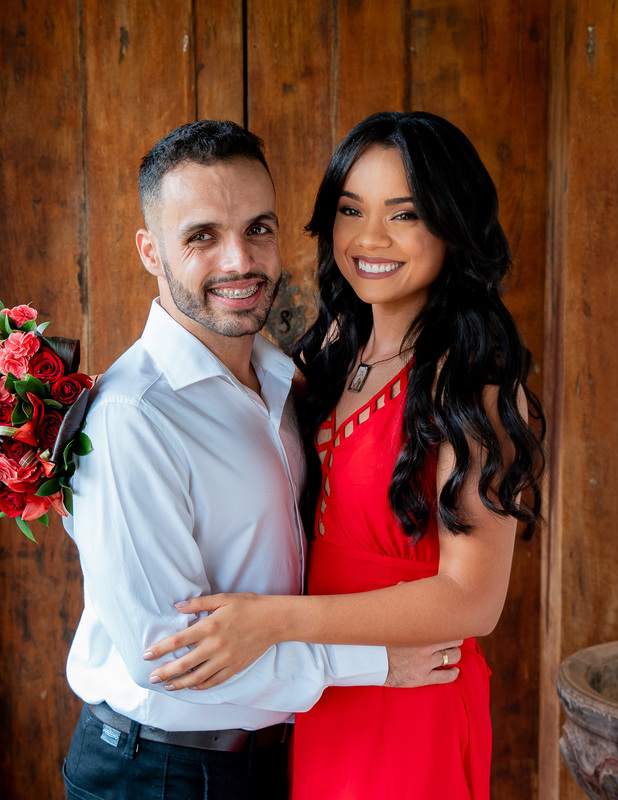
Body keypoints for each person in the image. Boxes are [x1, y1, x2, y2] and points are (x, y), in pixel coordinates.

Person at [143, 111, 546, 799]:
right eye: (351, 209)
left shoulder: (469, 385)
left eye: (405, 214)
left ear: (453, 224)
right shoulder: (328, 353)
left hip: (409, 694)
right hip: (321, 692)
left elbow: (471, 600)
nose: (370, 238)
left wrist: (268, 621)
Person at [61, 119, 460, 800]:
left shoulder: (283, 376)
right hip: (160, 772)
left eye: (259, 229)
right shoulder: (133, 418)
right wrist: (372, 664)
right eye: (202, 237)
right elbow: (173, 660)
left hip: (283, 758)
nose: (239, 261)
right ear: (150, 251)